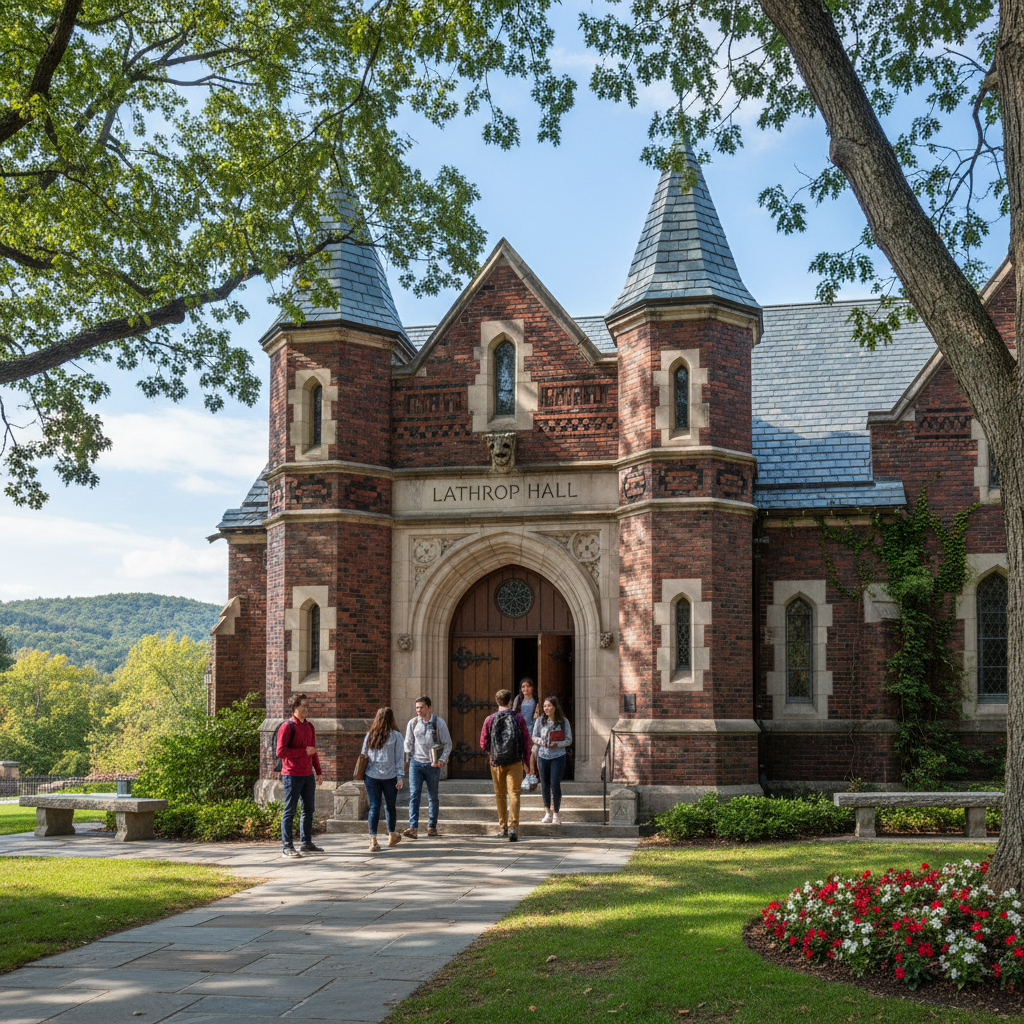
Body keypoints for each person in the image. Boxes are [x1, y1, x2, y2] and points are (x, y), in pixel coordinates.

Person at [480, 688, 532, 842]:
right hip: (515, 761)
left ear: (497, 702)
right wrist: (527, 762)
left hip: (496, 762)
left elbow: (483, 743)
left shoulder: (489, 719)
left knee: (500, 794)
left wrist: (491, 753)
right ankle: (513, 827)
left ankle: (503, 828)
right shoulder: (518, 717)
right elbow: (526, 741)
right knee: (514, 794)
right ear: (510, 701)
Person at [277, 693, 324, 858]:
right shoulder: (287, 727)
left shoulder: (310, 726)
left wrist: (318, 772)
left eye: (307, 706)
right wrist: (303, 751)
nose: (306, 709)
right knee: (290, 810)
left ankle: (306, 843)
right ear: (295, 708)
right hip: (292, 775)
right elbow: (281, 752)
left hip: (308, 775)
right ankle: (287, 847)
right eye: (303, 706)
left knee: (308, 810)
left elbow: (313, 751)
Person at [403, 696, 452, 838]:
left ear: (429, 707)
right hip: (416, 763)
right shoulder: (413, 723)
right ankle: (413, 828)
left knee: (433, 796)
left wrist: (442, 759)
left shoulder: (438, 722)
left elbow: (447, 743)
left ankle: (432, 827)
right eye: (417, 707)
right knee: (414, 795)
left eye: (421, 707)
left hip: (433, 764)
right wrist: (406, 759)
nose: (418, 710)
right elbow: (408, 743)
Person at [361, 707, 405, 852]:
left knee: (374, 807)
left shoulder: (370, 735)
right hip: (390, 777)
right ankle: (391, 835)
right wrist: (400, 777)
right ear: (392, 719)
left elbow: (363, 755)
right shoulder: (396, 736)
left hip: (371, 776)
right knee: (390, 807)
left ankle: (373, 840)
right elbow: (399, 758)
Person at [533, 696, 572, 825]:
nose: (546, 708)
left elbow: (569, 740)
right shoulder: (540, 721)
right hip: (543, 756)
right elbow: (534, 737)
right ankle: (547, 812)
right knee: (544, 784)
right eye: (545, 706)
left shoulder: (564, 722)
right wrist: (543, 742)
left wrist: (557, 744)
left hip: (558, 756)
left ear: (555, 707)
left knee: (555, 783)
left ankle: (556, 814)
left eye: (549, 705)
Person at [513, 677, 541, 790]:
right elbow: (514, 713)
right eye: (523, 687)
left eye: (528, 686)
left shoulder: (536, 699)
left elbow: (537, 717)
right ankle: (527, 774)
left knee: (532, 752)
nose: (526, 689)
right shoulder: (518, 699)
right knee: (524, 753)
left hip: (532, 728)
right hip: (520, 728)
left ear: (532, 688)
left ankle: (533, 774)